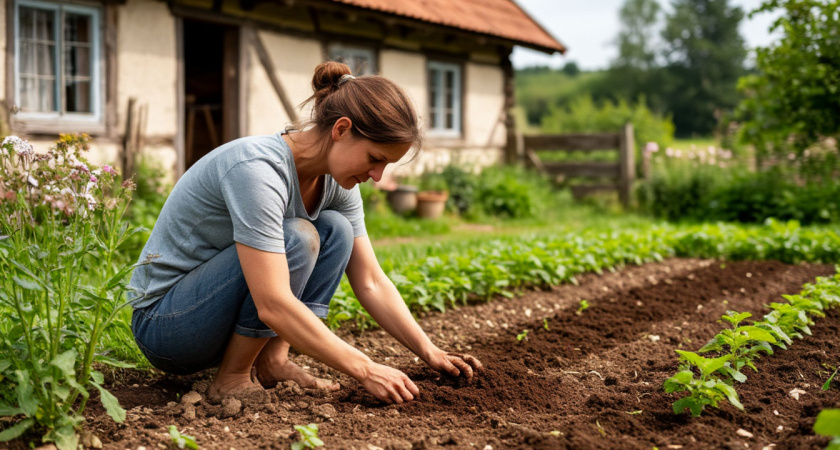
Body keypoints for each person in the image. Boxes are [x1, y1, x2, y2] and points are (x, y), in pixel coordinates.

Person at [128, 61, 483, 404]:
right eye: (375, 158)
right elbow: (272, 303)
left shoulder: (338, 185)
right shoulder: (257, 169)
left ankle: (273, 360)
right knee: (297, 237)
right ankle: (232, 378)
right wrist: (365, 369)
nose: (377, 176)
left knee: (335, 230)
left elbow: (371, 280)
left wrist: (429, 351)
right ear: (341, 129)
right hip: (166, 326)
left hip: (213, 318)